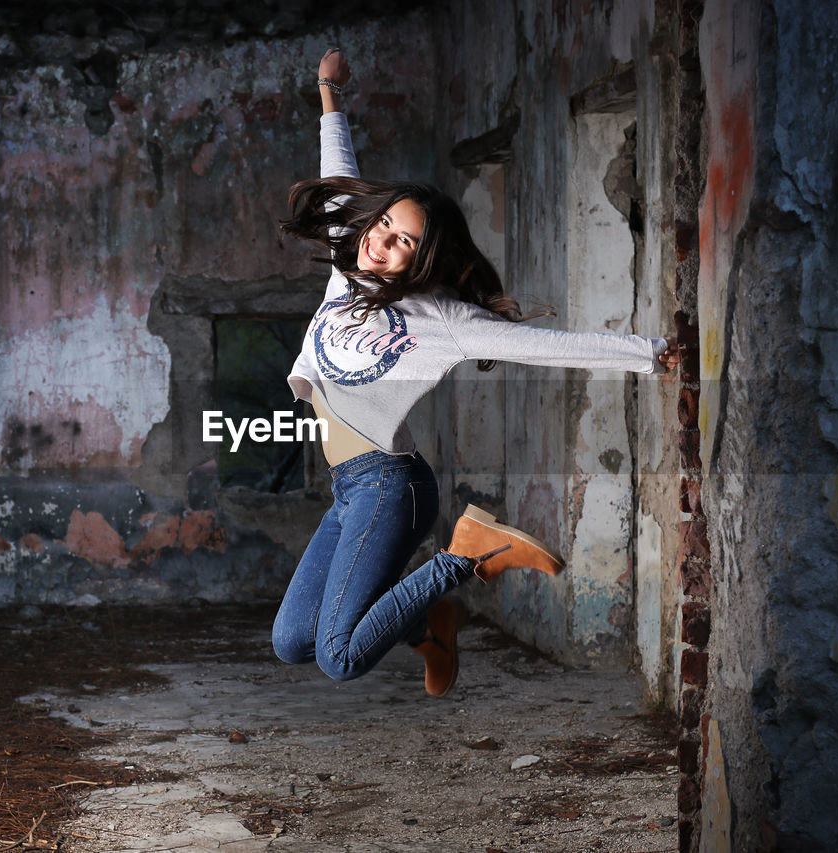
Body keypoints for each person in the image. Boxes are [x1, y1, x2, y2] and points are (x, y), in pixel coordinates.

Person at [271, 48, 679, 696]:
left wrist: (648, 351)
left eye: (405, 239)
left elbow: (547, 346)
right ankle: (426, 625)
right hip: (349, 488)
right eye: (383, 226)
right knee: (291, 639)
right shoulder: (346, 269)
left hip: (389, 487)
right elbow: (339, 176)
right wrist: (327, 92)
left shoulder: (439, 317)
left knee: (339, 655)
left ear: (421, 254)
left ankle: (468, 551)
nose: (383, 240)